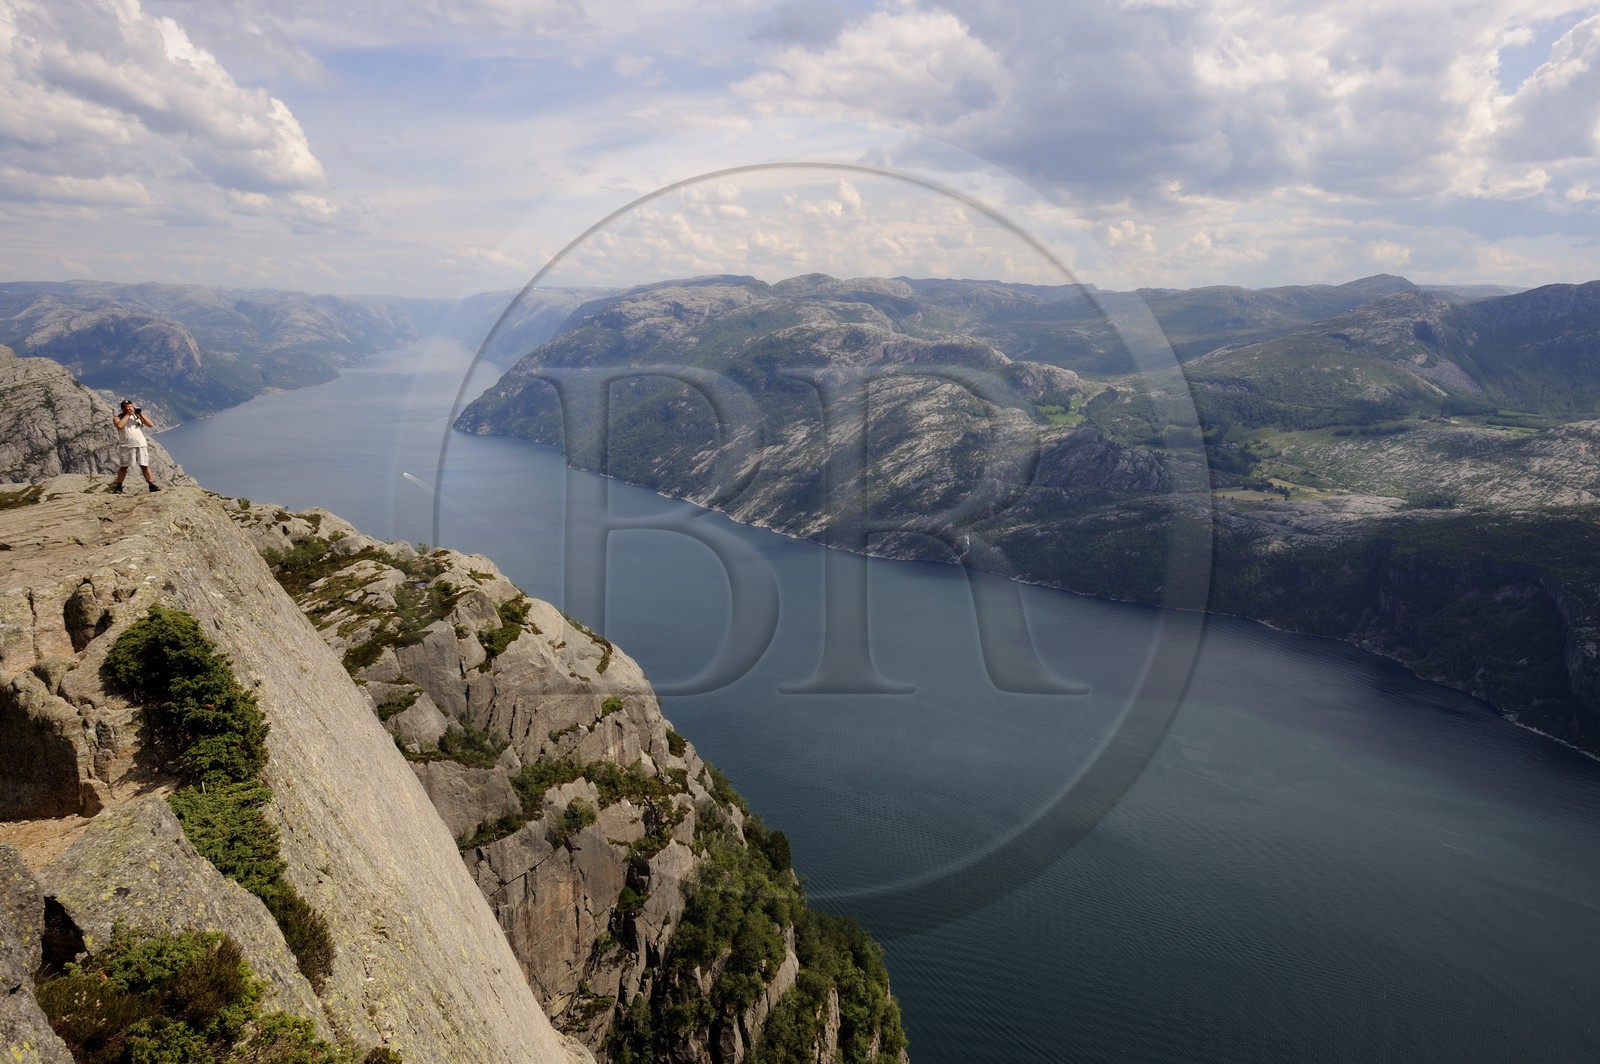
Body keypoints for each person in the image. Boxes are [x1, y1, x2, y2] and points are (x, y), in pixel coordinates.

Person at [112, 399, 160, 493]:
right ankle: (119, 486)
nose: (130, 408)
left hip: (140, 444)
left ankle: (151, 485)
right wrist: (127, 414)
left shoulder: (137, 416)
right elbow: (120, 426)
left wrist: (140, 414)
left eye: (131, 406)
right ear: (123, 409)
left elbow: (150, 424)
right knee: (124, 466)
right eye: (127, 407)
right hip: (126, 445)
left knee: (144, 465)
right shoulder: (118, 417)